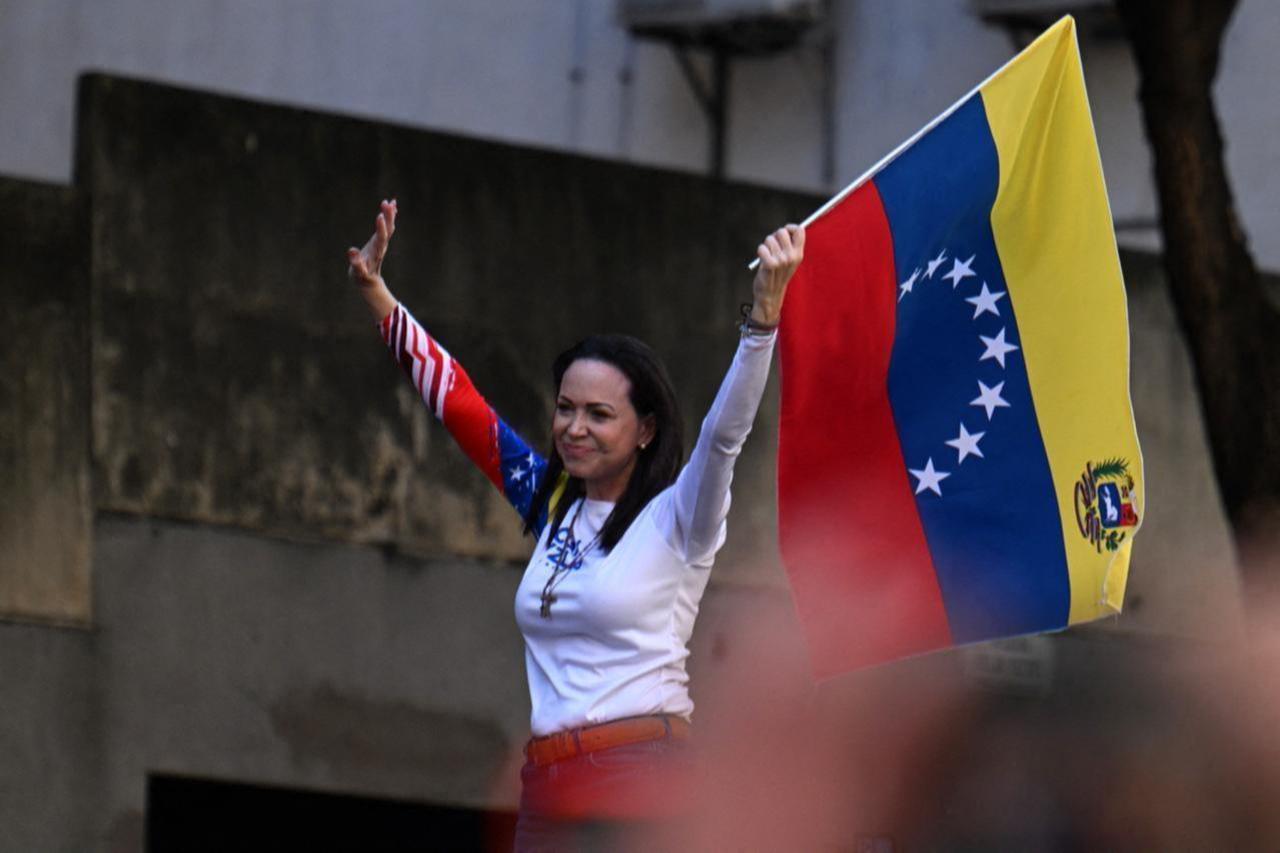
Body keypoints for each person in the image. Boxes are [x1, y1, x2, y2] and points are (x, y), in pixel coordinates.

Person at [347, 199, 804, 850]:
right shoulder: (551, 500)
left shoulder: (680, 516)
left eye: (599, 413)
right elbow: (460, 405)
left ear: (644, 429)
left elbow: (724, 436)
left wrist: (761, 320)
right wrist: (376, 292)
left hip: (644, 776)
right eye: (565, 408)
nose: (575, 427)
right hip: (549, 784)